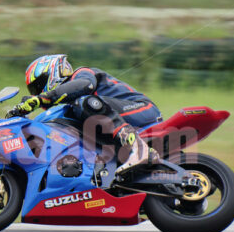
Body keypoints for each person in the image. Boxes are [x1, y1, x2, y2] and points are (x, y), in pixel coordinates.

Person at [9, 54, 161, 174]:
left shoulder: (82, 74)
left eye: (39, 85)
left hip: (142, 108)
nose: (39, 92)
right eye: (34, 91)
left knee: (85, 101)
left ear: (52, 71)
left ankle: (139, 147)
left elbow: (85, 86)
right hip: (120, 118)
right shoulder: (69, 104)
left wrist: (43, 98)